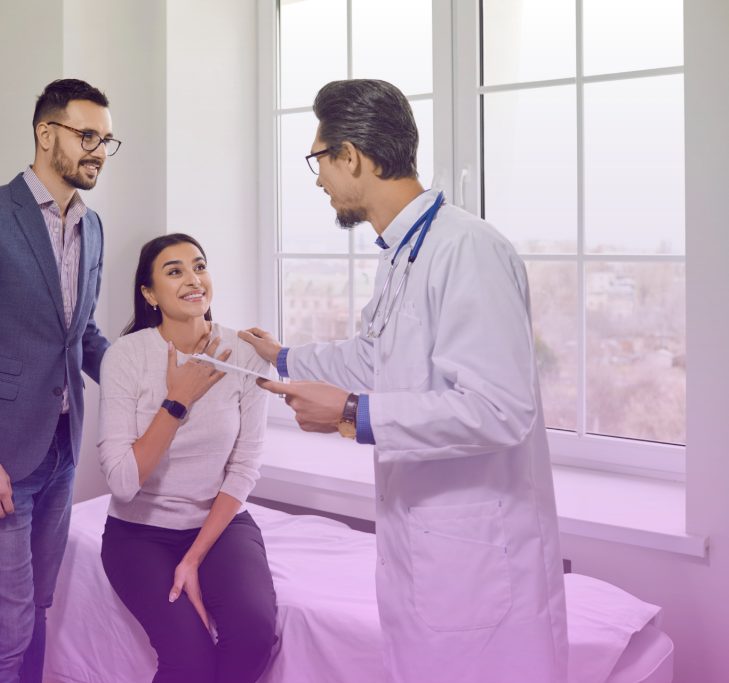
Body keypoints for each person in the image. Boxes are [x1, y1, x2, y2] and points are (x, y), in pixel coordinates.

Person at [239, 79, 568, 683]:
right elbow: (375, 358)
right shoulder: (404, 253)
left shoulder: (466, 249)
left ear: (353, 157)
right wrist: (286, 359)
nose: (317, 179)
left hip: (476, 561)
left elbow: (500, 408)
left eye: (319, 160)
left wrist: (353, 415)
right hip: (427, 549)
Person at [0, 78, 115, 683]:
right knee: (6, 630)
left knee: (36, 612)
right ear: (46, 133)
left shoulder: (92, 227)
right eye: (87, 135)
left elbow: (79, 335)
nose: (97, 150)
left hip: (60, 452)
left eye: (106, 140)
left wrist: (146, 372)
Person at [97, 234, 279, 683]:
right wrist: (176, 401)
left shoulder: (248, 355)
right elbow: (122, 483)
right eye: (174, 271)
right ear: (149, 293)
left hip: (218, 528)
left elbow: (244, 465)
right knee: (191, 663)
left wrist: (193, 558)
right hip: (139, 536)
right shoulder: (125, 357)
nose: (193, 279)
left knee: (255, 634)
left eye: (199, 266)